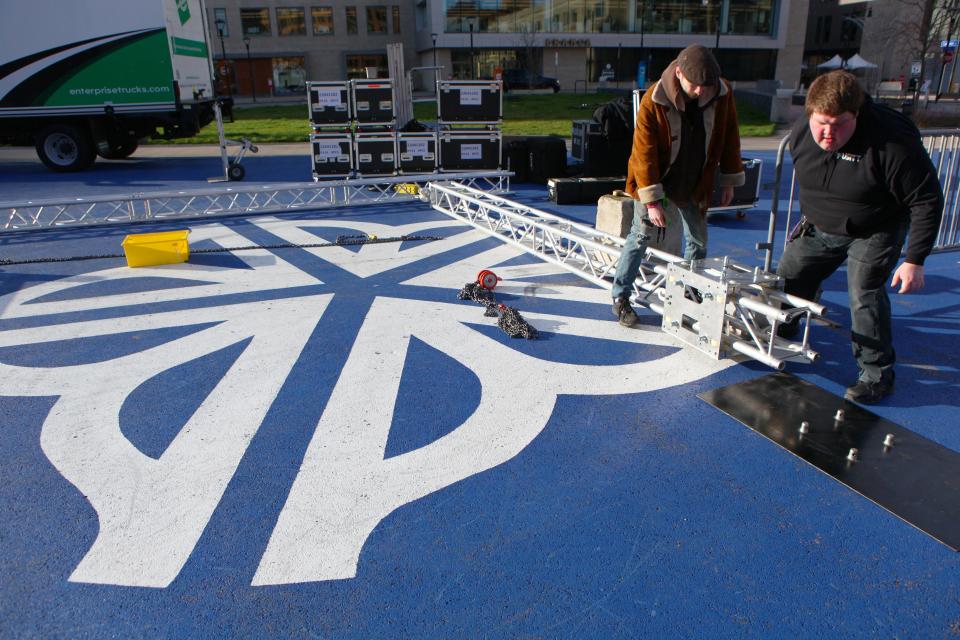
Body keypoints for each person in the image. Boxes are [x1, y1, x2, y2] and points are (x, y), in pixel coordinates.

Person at [777, 70, 943, 404]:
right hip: (822, 224)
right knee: (792, 271)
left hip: (875, 228)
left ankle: (876, 374)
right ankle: (788, 324)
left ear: (857, 114)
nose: (828, 133)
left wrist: (914, 260)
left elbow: (926, 199)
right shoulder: (800, 133)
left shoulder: (892, 143)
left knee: (864, 291)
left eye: (839, 124)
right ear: (809, 113)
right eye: (821, 123)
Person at [612, 44, 745, 327]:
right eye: (695, 86)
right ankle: (620, 297)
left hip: (696, 182)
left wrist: (731, 178)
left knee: (698, 242)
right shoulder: (654, 100)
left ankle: (689, 291)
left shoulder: (721, 92)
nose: (701, 92)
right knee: (641, 237)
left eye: (706, 87)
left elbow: (731, 134)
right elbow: (643, 154)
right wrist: (651, 202)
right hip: (658, 179)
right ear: (680, 73)